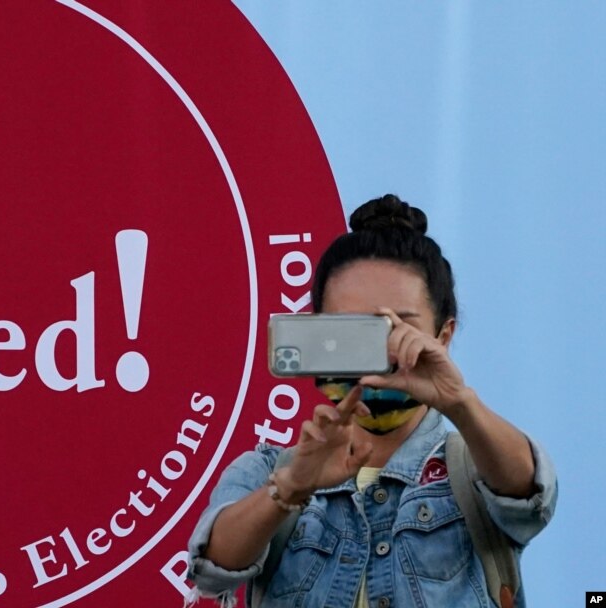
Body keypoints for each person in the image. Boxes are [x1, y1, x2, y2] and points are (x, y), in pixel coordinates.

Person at [185, 195, 557, 607]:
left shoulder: (473, 469)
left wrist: (458, 402)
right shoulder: (269, 469)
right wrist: (290, 488)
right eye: (350, 331)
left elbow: (529, 494)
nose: (375, 352)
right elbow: (211, 569)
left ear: (443, 336)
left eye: (398, 329)